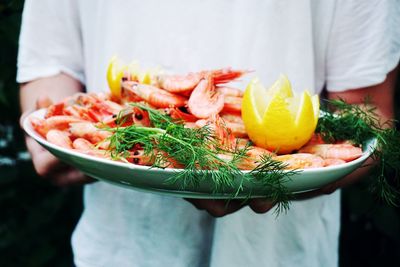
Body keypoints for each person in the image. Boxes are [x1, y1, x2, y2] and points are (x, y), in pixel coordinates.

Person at [18, 0, 399, 266]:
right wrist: (59, 140)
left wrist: (295, 174)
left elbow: (368, 120)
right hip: (120, 250)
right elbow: (49, 63)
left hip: (281, 255)